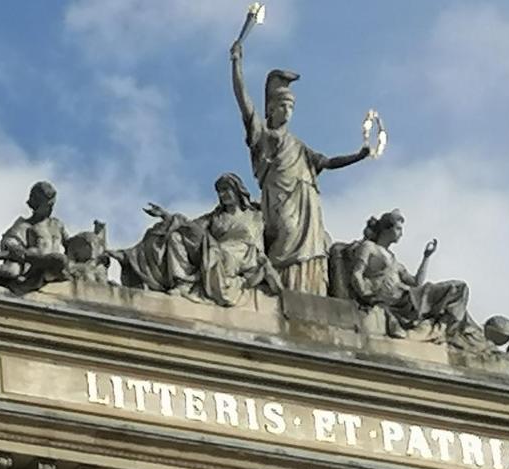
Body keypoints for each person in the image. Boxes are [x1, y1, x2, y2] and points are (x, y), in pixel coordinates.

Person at [230, 42, 371, 296]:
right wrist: (236, 64)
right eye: (283, 106)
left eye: (291, 107)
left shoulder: (300, 146)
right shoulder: (263, 136)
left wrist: (358, 156)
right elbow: (244, 102)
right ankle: (280, 289)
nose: (287, 111)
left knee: (314, 247)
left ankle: (307, 294)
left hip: (307, 199)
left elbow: (328, 162)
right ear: (271, 109)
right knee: (286, 233)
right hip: (281, 198)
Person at [114, 174, 281, 306]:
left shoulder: (256, 215)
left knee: (213, 251)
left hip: (241, 256)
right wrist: (166, 216)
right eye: (220, 191)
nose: (223, 195)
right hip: (216, 250)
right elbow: (190, 226)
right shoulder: (215, 217)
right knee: (176, 236)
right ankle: (181, 283)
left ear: (237, 190)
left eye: (226, 189)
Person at [331, 209, 484, 347]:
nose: (401, 233)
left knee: (457, 290)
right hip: (396, 300)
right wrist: (366, 295)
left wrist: (426, 257)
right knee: (456, 290)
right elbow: (357, 274)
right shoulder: (369, 247)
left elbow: (416, 282)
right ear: (386, 229)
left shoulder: (394, 260)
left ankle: (448, 329)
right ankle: (447, 331)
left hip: (407, 296)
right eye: (398, 228)